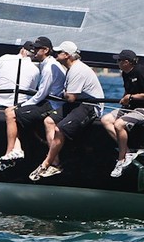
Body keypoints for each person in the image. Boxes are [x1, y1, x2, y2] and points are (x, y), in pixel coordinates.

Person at [29, 41, 104, 181]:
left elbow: (70, 97)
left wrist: (62, 93)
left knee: (59, 130)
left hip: (90, 105)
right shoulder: (70, 68)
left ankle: (46, 163)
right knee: (49, 121)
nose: (56, 54)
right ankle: (55, 162)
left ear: (67, 55)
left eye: (59, 52)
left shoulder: (77, 70)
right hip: (78, 103)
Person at [0, 36, 66, 171]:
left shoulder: (49, 67)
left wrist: (22, 106)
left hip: (52, 105)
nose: (34, 51)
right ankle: (17, 150)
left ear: (46, 50)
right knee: (10, 111)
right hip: (48, 101)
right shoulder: (47, 64)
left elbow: (41, 94)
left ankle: (10, 153)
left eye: (37, 49)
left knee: (11, 113)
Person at [101, 49, 144, 177]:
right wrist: (125, 98)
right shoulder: (125, 73)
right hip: (130, 108)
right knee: (105, 120)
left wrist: (130, 97)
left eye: (119, 60)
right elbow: (127, 90)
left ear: (126, 62)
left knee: (119, 124)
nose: (117, 63)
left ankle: (121, 159)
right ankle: (128, 151)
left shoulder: (140, 71)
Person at [0, 40, 40, 109]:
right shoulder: (35, 69)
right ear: (34, 55)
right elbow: (31, 90)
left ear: (22, 50)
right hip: (18, 106)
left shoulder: (5, 57)